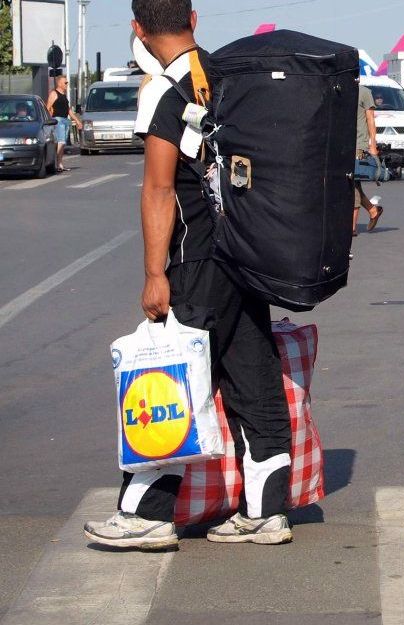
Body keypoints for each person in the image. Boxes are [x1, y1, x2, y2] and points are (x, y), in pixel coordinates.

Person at [84, 0, 294, 549]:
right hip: (245, 256)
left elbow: (158, 188)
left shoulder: (164, 91)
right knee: (252, 377)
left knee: (167, 378)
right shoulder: (229, 78)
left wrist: (155, 273)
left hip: (196, 260)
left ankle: (147, 515)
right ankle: (266, 511)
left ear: (137, 28)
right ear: (194, 19)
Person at [352, 84, 383, 236]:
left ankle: (351, 228)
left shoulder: (364, 92)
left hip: (358, 144)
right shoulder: (340, 88)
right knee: (351, 182)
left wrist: (373, 145)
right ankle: (372, 210)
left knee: (352, 183)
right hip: (341, 144)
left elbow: (370, 119)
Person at [46, 75, 82, 172]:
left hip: (65, 120)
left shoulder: (63, 95)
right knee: (60, 142)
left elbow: (68, 110)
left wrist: (77, 120)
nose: (67, 84)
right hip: (58, 120)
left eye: (67, 82)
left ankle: (60, 164)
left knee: (62, 143)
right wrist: (51, 119)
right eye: (65, 83)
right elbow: (48, 107)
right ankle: (57, 164)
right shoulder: (54, 93)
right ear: (59, 83)